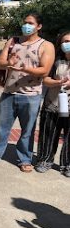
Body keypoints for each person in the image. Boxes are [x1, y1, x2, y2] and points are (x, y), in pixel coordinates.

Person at [0, 13, 55, 173]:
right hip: (9, 93)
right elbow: (0, 63)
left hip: (31, 95)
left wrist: (25, 69)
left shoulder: (46, 45)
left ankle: (25, 160)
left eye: (30, 23)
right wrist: (8, 63)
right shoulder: (13, 41)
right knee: (2, 128)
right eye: (25, 22)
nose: (26, 25)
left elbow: (45, 70)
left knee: (27, 131)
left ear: (38, 26)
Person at [35, 31, 70, 177]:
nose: (67, 44)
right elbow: (45, 80)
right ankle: (45, 160)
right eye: (64, 41)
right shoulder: (56, 61)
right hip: (53, 103)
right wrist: (57, 82)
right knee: (48, 133)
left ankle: (67, 165)